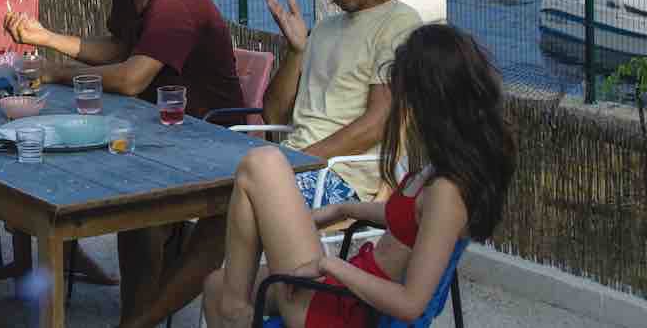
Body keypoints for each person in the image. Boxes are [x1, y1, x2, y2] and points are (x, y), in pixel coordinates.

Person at [4, 0, 245, 328]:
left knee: (138, 211)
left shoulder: (175, 2)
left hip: (208, 138)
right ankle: (134, 308)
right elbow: (119, 48)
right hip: (155, 127)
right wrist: (46, 38)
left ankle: (137, 317)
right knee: (63, 169)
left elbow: (132, 77)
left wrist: (59, 73)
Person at [201, 23, 517, 328]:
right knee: (217, 286)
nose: (403, 106)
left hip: (345, 313)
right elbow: (410, 220)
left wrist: (329, 264)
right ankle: (234, 308)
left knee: (263, 163)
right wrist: (345, 208)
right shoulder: (442, 168)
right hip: (346, 293)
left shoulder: (448, 192)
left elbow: (411, 305)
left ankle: (236, 311)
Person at [264, 0, 421, 208]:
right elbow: (273, 115)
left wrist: (296, 162)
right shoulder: (325, 28)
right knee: (216, 197)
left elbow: (377, 123)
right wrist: (296, 52)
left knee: (241, 196)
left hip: (342, 177)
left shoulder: (400, 24)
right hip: (297, 165)